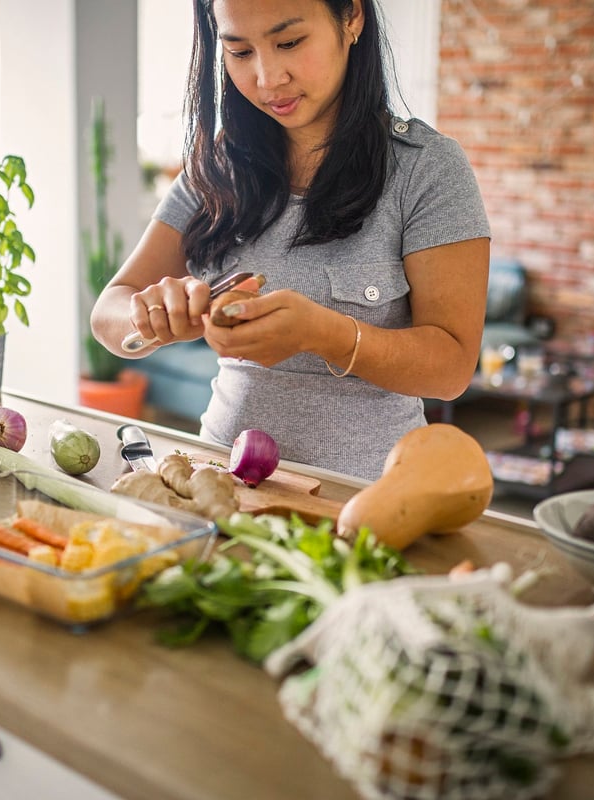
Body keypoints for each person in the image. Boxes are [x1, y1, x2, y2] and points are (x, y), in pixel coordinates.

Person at [90, 0, 490, 481]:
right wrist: (155, 317)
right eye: (239, 52)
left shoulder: (427, 170)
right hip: (218, 477)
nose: (266, 77)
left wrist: (324, 334)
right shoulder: (217, 169)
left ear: (352, 18)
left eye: (289, 43)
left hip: (368, 494)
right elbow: (107, 315)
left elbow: (451, 370)